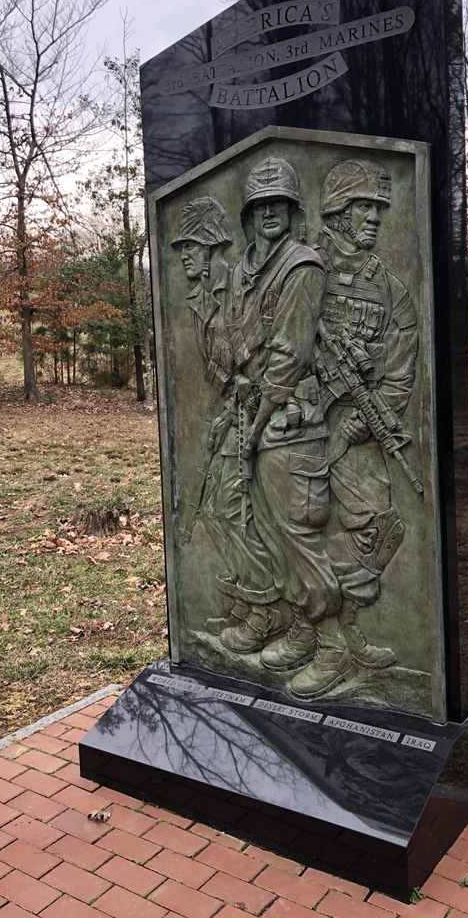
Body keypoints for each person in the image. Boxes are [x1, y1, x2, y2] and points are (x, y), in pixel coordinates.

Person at [226, 156, 352, 699]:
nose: (269, 212)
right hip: (252, 414)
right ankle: (296, 625)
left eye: (279, 203)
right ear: (250, 214)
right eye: (261, 205)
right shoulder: (245, 268)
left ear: (292, 211)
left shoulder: (301, 267)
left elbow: (292, 354)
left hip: (289, 425)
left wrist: (257, 422)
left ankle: (333, 645)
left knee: (301, 534)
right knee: (269, 533)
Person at [313, 159, 418, 668]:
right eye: (363, 206)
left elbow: (400, 372)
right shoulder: (302, 271)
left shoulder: (390, 290)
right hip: (299, 424)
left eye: (378, 207)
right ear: (337, 211)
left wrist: (366, 421)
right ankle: (318, 641)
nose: (375, 217)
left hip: (357, 432)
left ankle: (343, 629)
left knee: (382, 527)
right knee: (296, 527)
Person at [172, 196, 281, 653]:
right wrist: (228, 386)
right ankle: (245, 593)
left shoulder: (240, 287)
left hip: (262, 412)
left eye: (191, 247)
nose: (184, 256)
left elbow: (266, 345)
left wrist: (245, 384)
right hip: (231, 411)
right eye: (180, 249)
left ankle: (267, 608)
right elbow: (216, 368)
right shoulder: (200, 299)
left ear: (213, 245)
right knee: (218, 507)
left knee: (228, 507)